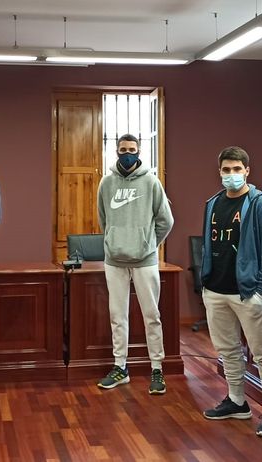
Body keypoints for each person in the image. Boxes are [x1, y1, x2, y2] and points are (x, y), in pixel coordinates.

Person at [200, 146, 262, 437]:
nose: (231, 174)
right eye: (226, 169)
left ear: (247, 171)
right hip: (215, 289)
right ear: (219, 172)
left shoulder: (260, 204)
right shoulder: (212, 203)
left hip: (248, 292)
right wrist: (205, 281)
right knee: (228, 350)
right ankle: (237, 401)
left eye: (237, 169)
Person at [95, 133, 174, 395]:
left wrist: (148, 244)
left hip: (145, 260)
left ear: (139, 151)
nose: (127, 154)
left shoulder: (151, 182)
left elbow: (166, 221)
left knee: (152, 316)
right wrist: (113, 240)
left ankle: (156, 369)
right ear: (116, 151)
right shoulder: (106, 182)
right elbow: (103, 219)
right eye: (123, 149)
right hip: (114, 260)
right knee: (117, 316)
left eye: (132, 149)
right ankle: (120, 367)